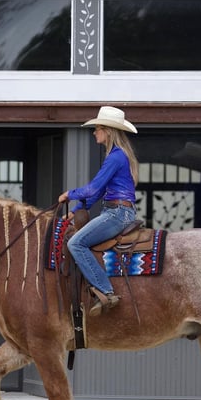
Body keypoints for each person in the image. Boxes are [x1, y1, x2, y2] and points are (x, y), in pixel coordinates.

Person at [58, 106, 139, 316]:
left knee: (75, 243)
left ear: (108, 131)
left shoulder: (115, 157)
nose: (95, 132)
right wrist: (76, 211)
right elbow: (99, 192)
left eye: (98, 128)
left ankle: (106, 291)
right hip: (118, 211)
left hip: (117, 214)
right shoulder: (117, 156)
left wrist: (70, 193)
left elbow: (93, 188)